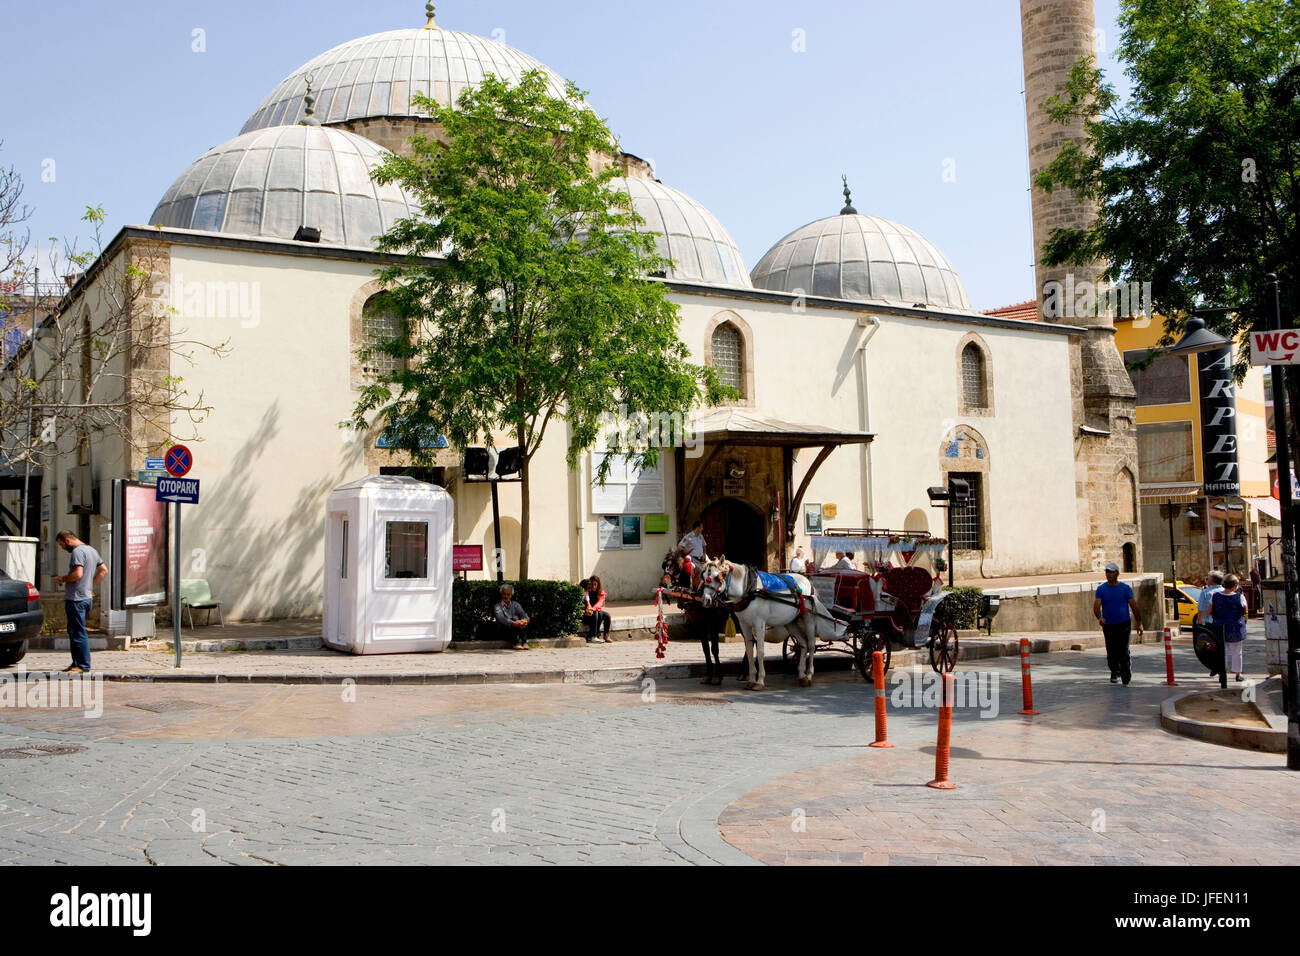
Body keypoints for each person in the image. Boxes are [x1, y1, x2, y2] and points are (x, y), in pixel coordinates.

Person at [52, 530, 107, 674]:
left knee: (78, 632)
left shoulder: (77, 552)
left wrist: (62, 579)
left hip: (76, 599)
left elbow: (78, 574)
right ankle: (76, 663)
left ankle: (82, 665)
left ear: (67, 541)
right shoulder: (92, 550)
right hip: (86, 597)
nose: (62, 548)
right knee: (74, 631)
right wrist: (89, 587)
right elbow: (103, 571)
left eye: (61, 545)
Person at [1093, 561, 1143, 684]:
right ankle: (1114, 671)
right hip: (1108, 624)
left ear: (1117, 573)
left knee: (1123, 650)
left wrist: (1139, 623)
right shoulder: (1101, 589)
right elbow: (1096, 606)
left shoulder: (1125, 589)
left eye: (1111, 572)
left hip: (1124, 623)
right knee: (1111, 650)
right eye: (1107, 572)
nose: (1108, 574)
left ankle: (1126, 675)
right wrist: (1100, 617)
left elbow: (1134, 606)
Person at [1212, 574, 1248, 681]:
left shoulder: (1216, 596)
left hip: (1220, 626)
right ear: (1235, 586)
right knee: (1237, 651)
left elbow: (1209, 611)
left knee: (1223, 651)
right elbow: (1245, 610)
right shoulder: (1239, 596)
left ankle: (1222, 673)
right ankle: (1238, 674)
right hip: (1235, 627)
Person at [494, 584, 530, 650]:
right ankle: (516, 643)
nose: (506, 596)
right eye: (504, 594)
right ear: (501, 594)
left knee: (523, 622)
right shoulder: (498, 606)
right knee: (513, 621)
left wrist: (525, 620)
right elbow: (502, 619)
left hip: (517, 627)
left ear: (511, 595)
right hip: (504, 628)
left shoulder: (516, 604)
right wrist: (514, 623)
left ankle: (524, 642)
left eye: (508, 594)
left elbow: (523, 615)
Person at [582, 574, 612, 643]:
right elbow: (586, 601)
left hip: (594, 610)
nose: (594, 586)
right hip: (587, 613)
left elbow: (600, 603)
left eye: (595, 584)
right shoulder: (587, 591)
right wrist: (589, 609)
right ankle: (594, 635)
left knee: (606, 615)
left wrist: (592, 609)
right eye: (592, 584)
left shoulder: (601, 593)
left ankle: (606, 635)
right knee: (597, 614)